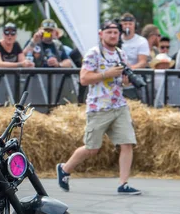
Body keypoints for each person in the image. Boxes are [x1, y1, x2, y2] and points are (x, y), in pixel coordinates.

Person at [56, 20, 141, 195]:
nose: (113, 35)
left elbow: (119, 81)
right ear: (101, 34)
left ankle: (123, 183)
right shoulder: (93, 54)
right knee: (91, 148)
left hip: (119, 105)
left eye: (115, 32)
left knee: (127, 143)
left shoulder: (120, 54)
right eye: (109, 32)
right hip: (98, 107)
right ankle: (65, 169)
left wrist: (125, 81)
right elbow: (84, 79)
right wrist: (105, 74)